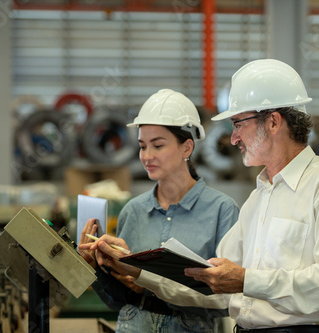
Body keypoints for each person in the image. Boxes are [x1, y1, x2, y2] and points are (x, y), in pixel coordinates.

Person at [85, 59, 319, 333]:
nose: (233, 138)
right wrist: (135, 269)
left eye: (238, 124)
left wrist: (247, 280)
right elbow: (213, 285)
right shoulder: (259, 199)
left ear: (273, 122)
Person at [78, 89, 240, 333]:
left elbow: (228, 300)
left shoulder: (222, 210)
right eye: (143, 146)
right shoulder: (133, 211)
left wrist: (148, 282)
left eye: (158, 146)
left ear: (187, 148)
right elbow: (119, 301)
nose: (147, 156)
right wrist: (95, 268)